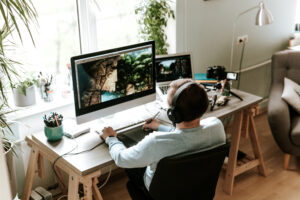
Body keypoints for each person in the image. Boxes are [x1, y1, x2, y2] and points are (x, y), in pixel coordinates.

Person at [99, 78, 226, 196]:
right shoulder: (217, 126)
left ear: (173, 115)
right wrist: (160, 126)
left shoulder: (156, 142)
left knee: (132, 167)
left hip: (160, 195)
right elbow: (188, 136)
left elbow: (121, 159)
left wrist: (111, 138)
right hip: (198, 190)